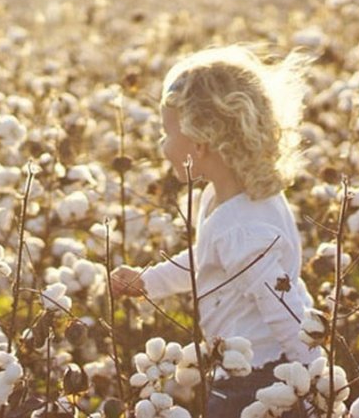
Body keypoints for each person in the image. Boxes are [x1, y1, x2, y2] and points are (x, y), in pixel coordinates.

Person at [110, 45, 316, 418]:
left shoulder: (244, 228)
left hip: (260, 381)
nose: (161, 145)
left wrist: (318, 392)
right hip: (244, 369)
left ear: (200, 142)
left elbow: (286, 313)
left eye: (166, 133)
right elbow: (208, 259)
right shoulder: (226, 203)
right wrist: (149, 281)